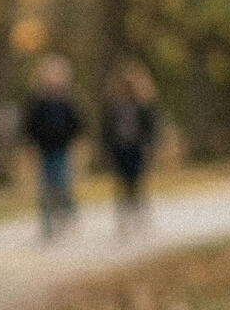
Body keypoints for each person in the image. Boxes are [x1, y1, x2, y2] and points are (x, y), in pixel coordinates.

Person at [22, 55, 85, 240]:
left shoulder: (68, 100)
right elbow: (30, 126)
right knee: (44, 189)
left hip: (61, 149)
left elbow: (78, 124)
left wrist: (72, 140)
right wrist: (30, 146)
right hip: (43, 149)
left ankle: (67, 212)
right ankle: (47, 226)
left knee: (61, 184)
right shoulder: (37, 100)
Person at [100, 60, 159, 232]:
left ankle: (140, 216)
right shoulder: (114, 106)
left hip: (137, 148)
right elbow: (106, 130)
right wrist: (107, 149)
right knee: (122, 184)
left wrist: (150, 146)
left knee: (137, 183)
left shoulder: (144, 105)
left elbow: (151, 128)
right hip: (120, 148)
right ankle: (124, 219)